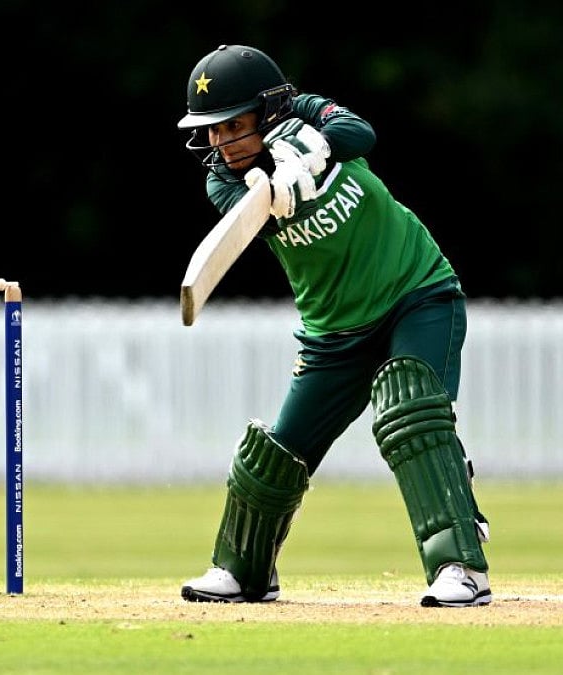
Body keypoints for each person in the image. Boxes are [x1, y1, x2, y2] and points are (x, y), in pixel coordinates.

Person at [174, 45, 491, 608]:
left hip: (416, 293)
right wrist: (278, 185)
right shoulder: (224, 183)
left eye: (234, 126)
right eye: (213, 131)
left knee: (411, 411)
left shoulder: (307, 110)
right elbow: (253, 213)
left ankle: (460, 567)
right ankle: (243, 570)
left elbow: (358, 133)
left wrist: (313, 151)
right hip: (333, 333)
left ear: (269, 110)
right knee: (278, 452)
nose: (222, 143)